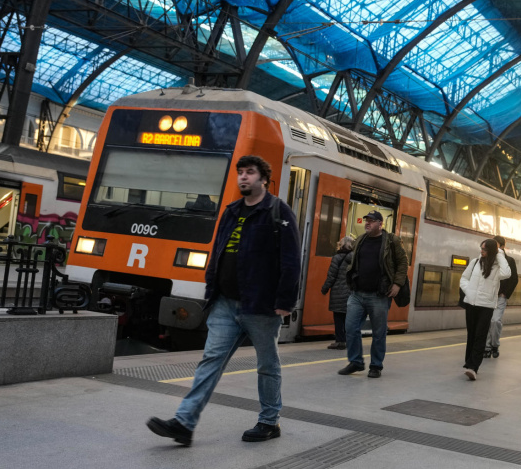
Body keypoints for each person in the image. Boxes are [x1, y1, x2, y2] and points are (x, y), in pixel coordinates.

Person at [146, 155, 301, 446]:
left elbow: (292, 260)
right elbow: (217, 252)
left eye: (250, 172)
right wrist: (211, 289)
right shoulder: (231, 212)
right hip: (225, 303)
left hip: (261, 306)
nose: (244, 177)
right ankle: (184, 423)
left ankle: (269, 421)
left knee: (267, 365)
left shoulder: (278, 211)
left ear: (263, 178)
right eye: (240, 172)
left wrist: (285, 300)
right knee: (210, 361)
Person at [338, 210, 408, 379]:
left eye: (371, 221)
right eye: (366, 220)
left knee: (378, 332)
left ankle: (376, 365)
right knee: (350, 328)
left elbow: (403, 262)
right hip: (357, 294)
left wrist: (398, 284)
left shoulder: (392, 241)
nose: (367, 223)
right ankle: (356, 361)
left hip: (379, 295)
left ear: (380, 224)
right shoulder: (361, 240)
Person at [460, 239, 510, 380]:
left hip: (486, 306)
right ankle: (468, 363)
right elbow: (464, 278)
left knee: (480, 336)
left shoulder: (497, 268)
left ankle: (473, 367)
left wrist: (499, 253)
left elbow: (507, 273)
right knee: (471, 334)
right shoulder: (475, 262)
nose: (481, 250)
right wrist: (468, 290)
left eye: (485, 249)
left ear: (493, 251)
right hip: (471, 303)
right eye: (481, 247)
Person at [484, 235, 518, 359]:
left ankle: (495, 344)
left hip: (500, 296)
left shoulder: (510, 261)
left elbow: (514, 279)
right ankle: (487, 347)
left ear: (502, 245)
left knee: (495, 320)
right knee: (487, 321)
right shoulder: (488, 259)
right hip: (488, 295)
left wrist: (505, 293)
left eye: (496, 244)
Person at [321, 236, 355, 350]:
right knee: (347, 317)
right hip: (351, 291)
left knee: (338, 317)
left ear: (342, 244)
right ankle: (346, 340)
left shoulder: (337, 257)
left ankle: (340, 341)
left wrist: (325, 288)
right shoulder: (355, 258)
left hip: (339, 291)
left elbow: (331, 276)